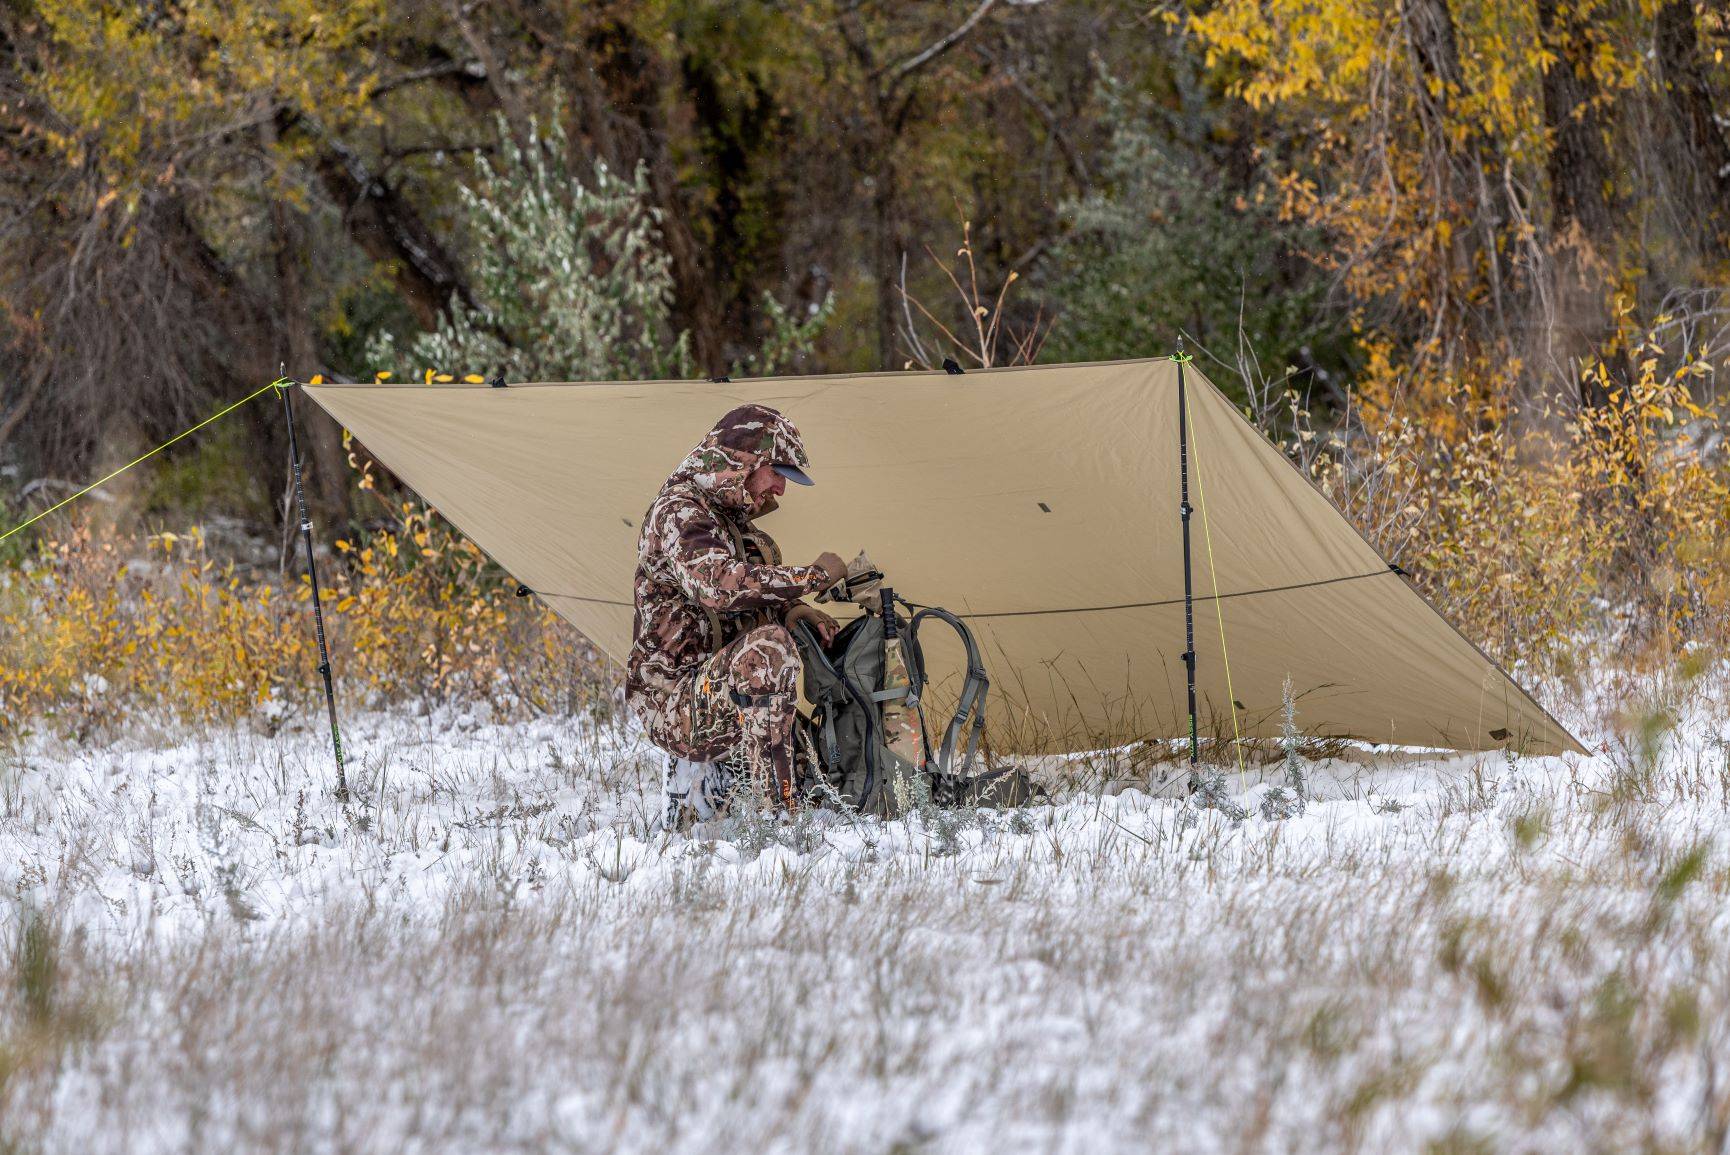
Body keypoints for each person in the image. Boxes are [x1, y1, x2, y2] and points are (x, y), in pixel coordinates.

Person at [626, 403, 848, 824]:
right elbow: (720, 585)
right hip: (675, 703)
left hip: (717, 688)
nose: (781, 489)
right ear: (744, 462)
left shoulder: (726, 520)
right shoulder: (680, 512)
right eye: (777, 473)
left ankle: (743, 802)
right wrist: (814, 576)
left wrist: (795, 610)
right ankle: (777, 823)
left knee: (824, 770)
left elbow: (747, 589)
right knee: (770, 650)